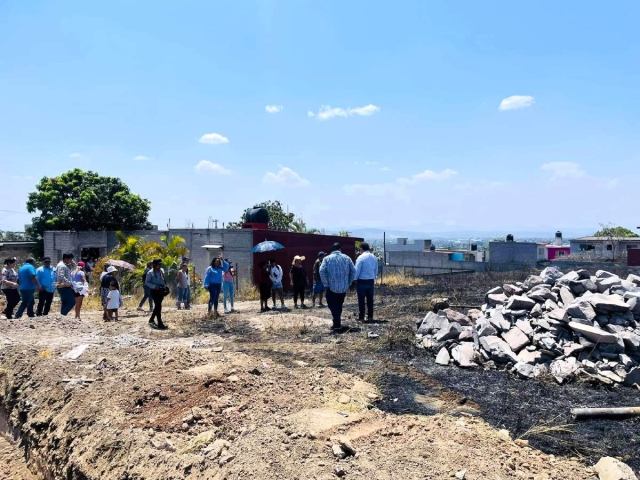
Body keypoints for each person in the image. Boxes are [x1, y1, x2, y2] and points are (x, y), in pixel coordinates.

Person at [319, 243, 356, 332]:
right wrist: (349, 282)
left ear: (332, 250)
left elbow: (321, 271)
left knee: (332, 305)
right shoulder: (347, 258)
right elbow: (353, 271)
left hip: (331, 287)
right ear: (340, 249)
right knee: (339, 304)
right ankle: (337, 321)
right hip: (343, 287)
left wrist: (326, 284)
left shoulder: (327, 259)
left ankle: (337, 322)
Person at [355, 242, 379, 322]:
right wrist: (374, 277)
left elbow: (357, 270)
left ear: (361, 249)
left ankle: (361, 316)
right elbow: (376, 269)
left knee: (361, 300)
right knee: (370, 300)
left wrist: (355, 279)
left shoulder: (361, 257)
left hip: (361, 281)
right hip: (371, 281)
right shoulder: (374, 257)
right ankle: (370, 316)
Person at [146, 258, 168, 329]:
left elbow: (163, 280)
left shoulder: (161, 271)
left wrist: (165, 287)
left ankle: (151, 319)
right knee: (158, 306)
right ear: (154, 265)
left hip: (161, 291)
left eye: (161, 264)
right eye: (159, 265)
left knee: (158, 306)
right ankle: (160, 323)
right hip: (154, 291)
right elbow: (147, 282)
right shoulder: (150, 273)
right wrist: (155, 286)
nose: (160, 266)